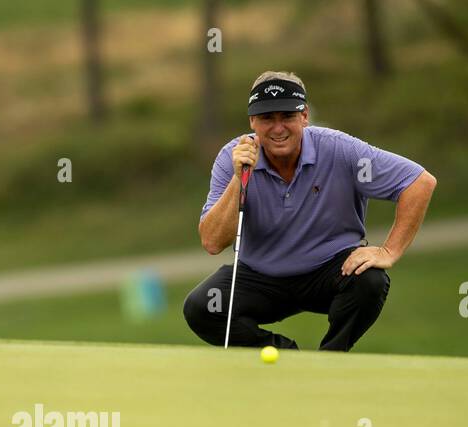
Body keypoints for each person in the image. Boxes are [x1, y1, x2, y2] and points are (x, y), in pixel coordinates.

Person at [184, 71, 436, 351]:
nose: (278, 128)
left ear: (304, 116)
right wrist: (238, 178)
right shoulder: (232, 158)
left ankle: (330, 359)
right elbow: (212, 242)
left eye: (287, 116)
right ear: (253, 122)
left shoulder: (339, 150)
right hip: (261, 276)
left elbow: (419, 182)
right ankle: (286, 357)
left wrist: (389, 251)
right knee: (202, 307)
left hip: (329, 271)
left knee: (370, 281)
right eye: (267, 118)